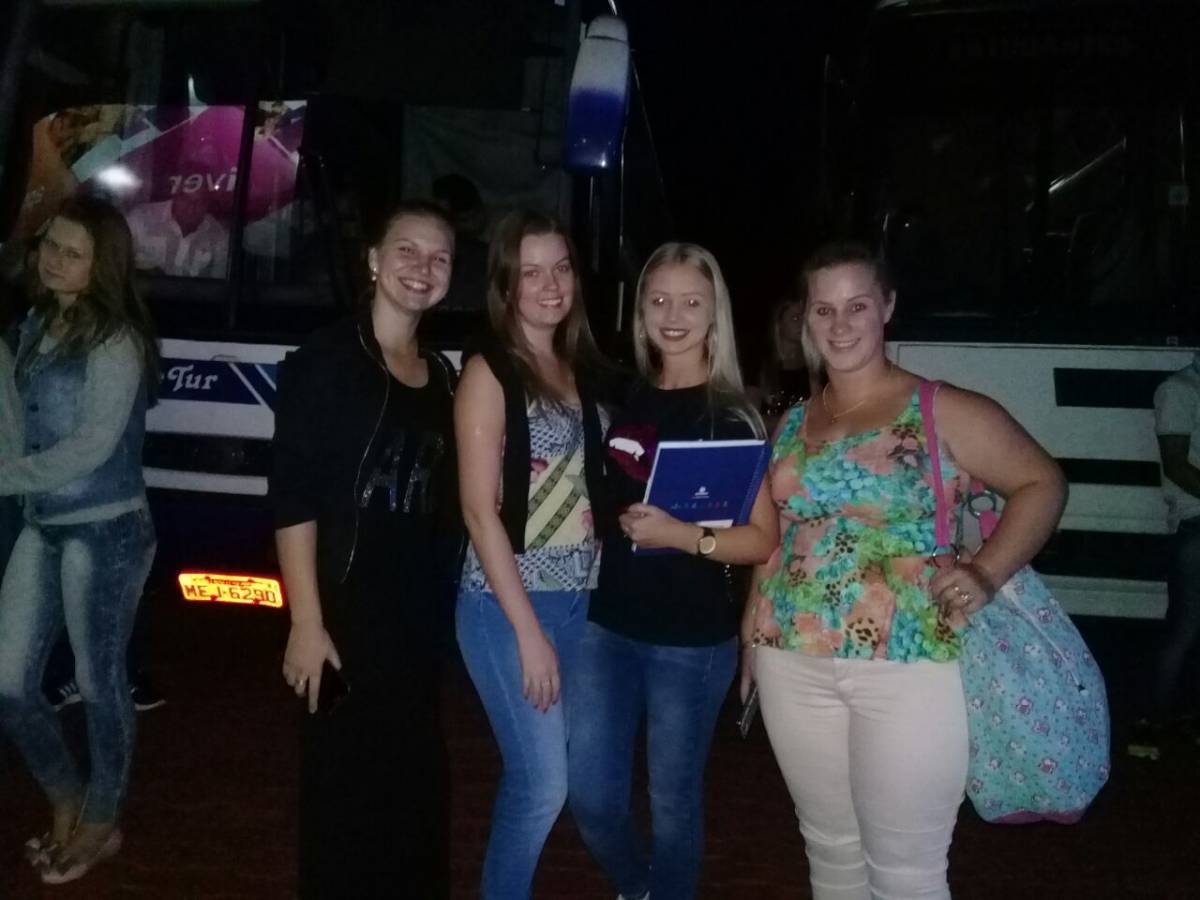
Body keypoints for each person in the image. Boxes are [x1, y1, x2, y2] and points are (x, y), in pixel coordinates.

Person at [741, 241, 1067, 899]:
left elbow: (1043, 484)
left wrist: (985, 573)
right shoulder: (793, 422)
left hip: (912, 659)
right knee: (829, 854)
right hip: (792, 657)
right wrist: (752, 630)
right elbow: (777, 535)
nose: (839, 324)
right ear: (806, 318)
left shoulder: (942, 408)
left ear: (887, 307)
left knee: (906, 872)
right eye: (824, 309)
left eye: (857, 306)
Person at [567, 242, 779, 900]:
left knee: (673, 804)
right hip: (606, 625)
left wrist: (682, 536)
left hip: (691, 642)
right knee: (591, 798)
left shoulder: (732, 414)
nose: (674, 315)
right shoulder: (620, 396)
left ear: (716, 314)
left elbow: (763, 540)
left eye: (692, 301)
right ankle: (639, 887)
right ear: (640, 312)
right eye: (659, 300)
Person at [272, 199, 462, 899]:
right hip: (345, 610)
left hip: (416, 615)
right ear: (375, 260)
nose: (422, 268)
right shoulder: (325, 360)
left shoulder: (442, 375)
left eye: (439, 258)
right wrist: (305, 622)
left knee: (414, 786)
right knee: (342, 791)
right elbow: (292, 497)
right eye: (407, 250)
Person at [0, 195, 159, 884]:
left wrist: (6, 476)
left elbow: (93, 445)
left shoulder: (116, 339)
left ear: (102, 266)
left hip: (107, 528)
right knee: (8, 684)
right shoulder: (35, 325)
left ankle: (100, 819)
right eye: (50, 246)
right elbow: (16, 423)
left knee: (99, 681)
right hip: (43, 524)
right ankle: (66, 797)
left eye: (73, 252)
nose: (54, 260)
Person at [455, 209, 609, 900]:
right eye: (531, 272)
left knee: (552, 778)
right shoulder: (488, 372)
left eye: (562, 268)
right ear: (506, 286)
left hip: (579, 598)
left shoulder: (578, 366)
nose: (551, 285)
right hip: (506, 603)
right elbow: (477, 510)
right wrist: (527, 632)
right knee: (541, 783)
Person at [1128, 354, 1200, 758]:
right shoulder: (1180, 390)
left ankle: (1177, 717)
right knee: (1183, 629)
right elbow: (1176, 465)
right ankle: (1147, 723)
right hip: (1195, 523)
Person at [758, 294, 810, 429]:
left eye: (804, 318)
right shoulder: (760, 363)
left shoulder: (813, 365)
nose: (802, 324)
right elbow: (751, 418)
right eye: (795, 318)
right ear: (779, 324)